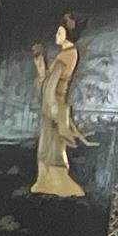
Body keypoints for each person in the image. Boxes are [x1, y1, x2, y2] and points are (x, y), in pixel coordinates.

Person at [32, 14, 94, 199]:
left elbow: (49, 86)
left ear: (67, 34)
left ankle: (57, 184)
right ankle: (45, 182)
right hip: (52, 103)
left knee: (52, 145)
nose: (56, 35)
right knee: (48, 144)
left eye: (60, 32)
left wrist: (41, 67)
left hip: (54, 104)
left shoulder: (67, 55)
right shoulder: (67, 53)